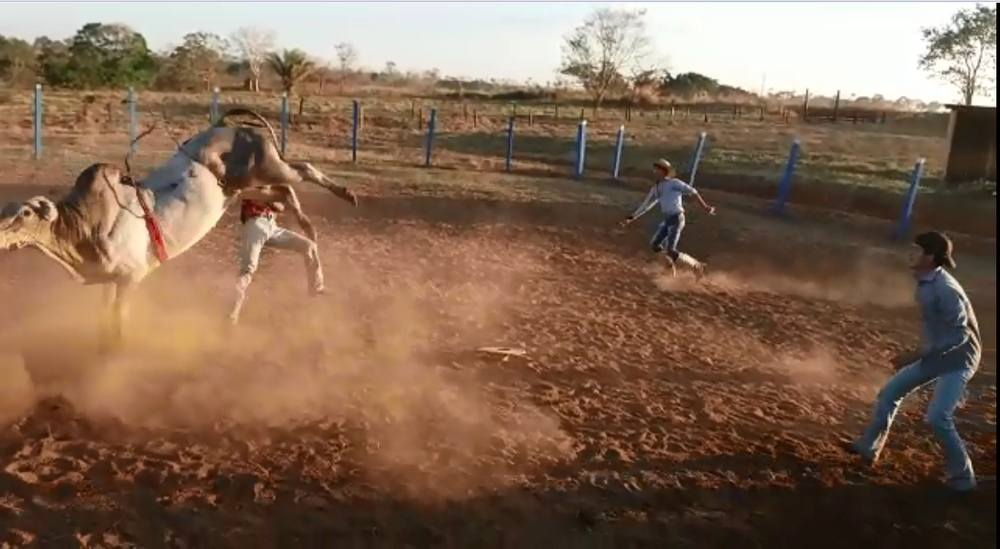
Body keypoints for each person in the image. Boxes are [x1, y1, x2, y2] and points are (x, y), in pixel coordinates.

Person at [846, 231, 982, 491]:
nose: (911, 253)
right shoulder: (926, 280)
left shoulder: (946, 289)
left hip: (959, 359)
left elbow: (960, 335)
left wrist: (918, 354)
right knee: (889, 394)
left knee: (937, 418)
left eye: (917, 250)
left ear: (930, 257)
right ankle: (868, 448)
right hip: (937, 354)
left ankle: (964, 479)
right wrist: (923, 351)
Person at [228, 197, 324, 325]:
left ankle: (316, 287)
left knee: (309, 246)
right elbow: (275, 204)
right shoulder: (260, 182)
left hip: (272, 227)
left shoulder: (282, 188)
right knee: (247, 271)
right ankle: (232, 314)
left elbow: (293, 213)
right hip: (255, 225)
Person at [619, 158, 716, 278]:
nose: (655, 171)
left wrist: (705, 207)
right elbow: (646, 205)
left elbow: (693, 191)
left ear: (664, 171)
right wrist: (632, 217)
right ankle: (669, 267)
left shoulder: (674, 183)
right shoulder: (656, 189)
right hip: (668, 219)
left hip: (677, 218)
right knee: (655, 245)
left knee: (671, 250)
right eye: (655, 168)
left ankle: (697, 265)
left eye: (658, 169)